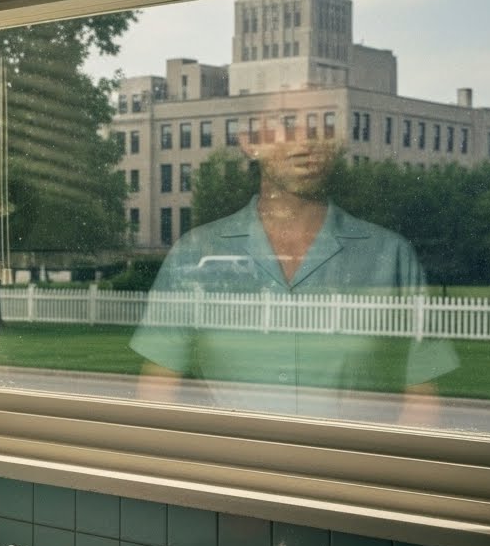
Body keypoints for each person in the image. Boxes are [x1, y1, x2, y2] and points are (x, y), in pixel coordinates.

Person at [130, 118, 457, 425]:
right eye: (287, 126)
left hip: (352, 465)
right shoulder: (197, 251)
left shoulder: (389, 254)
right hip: (231, 464)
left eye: (320, 127)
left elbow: (422, 399)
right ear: (250, 142)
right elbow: (158, 390)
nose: (305, 143)